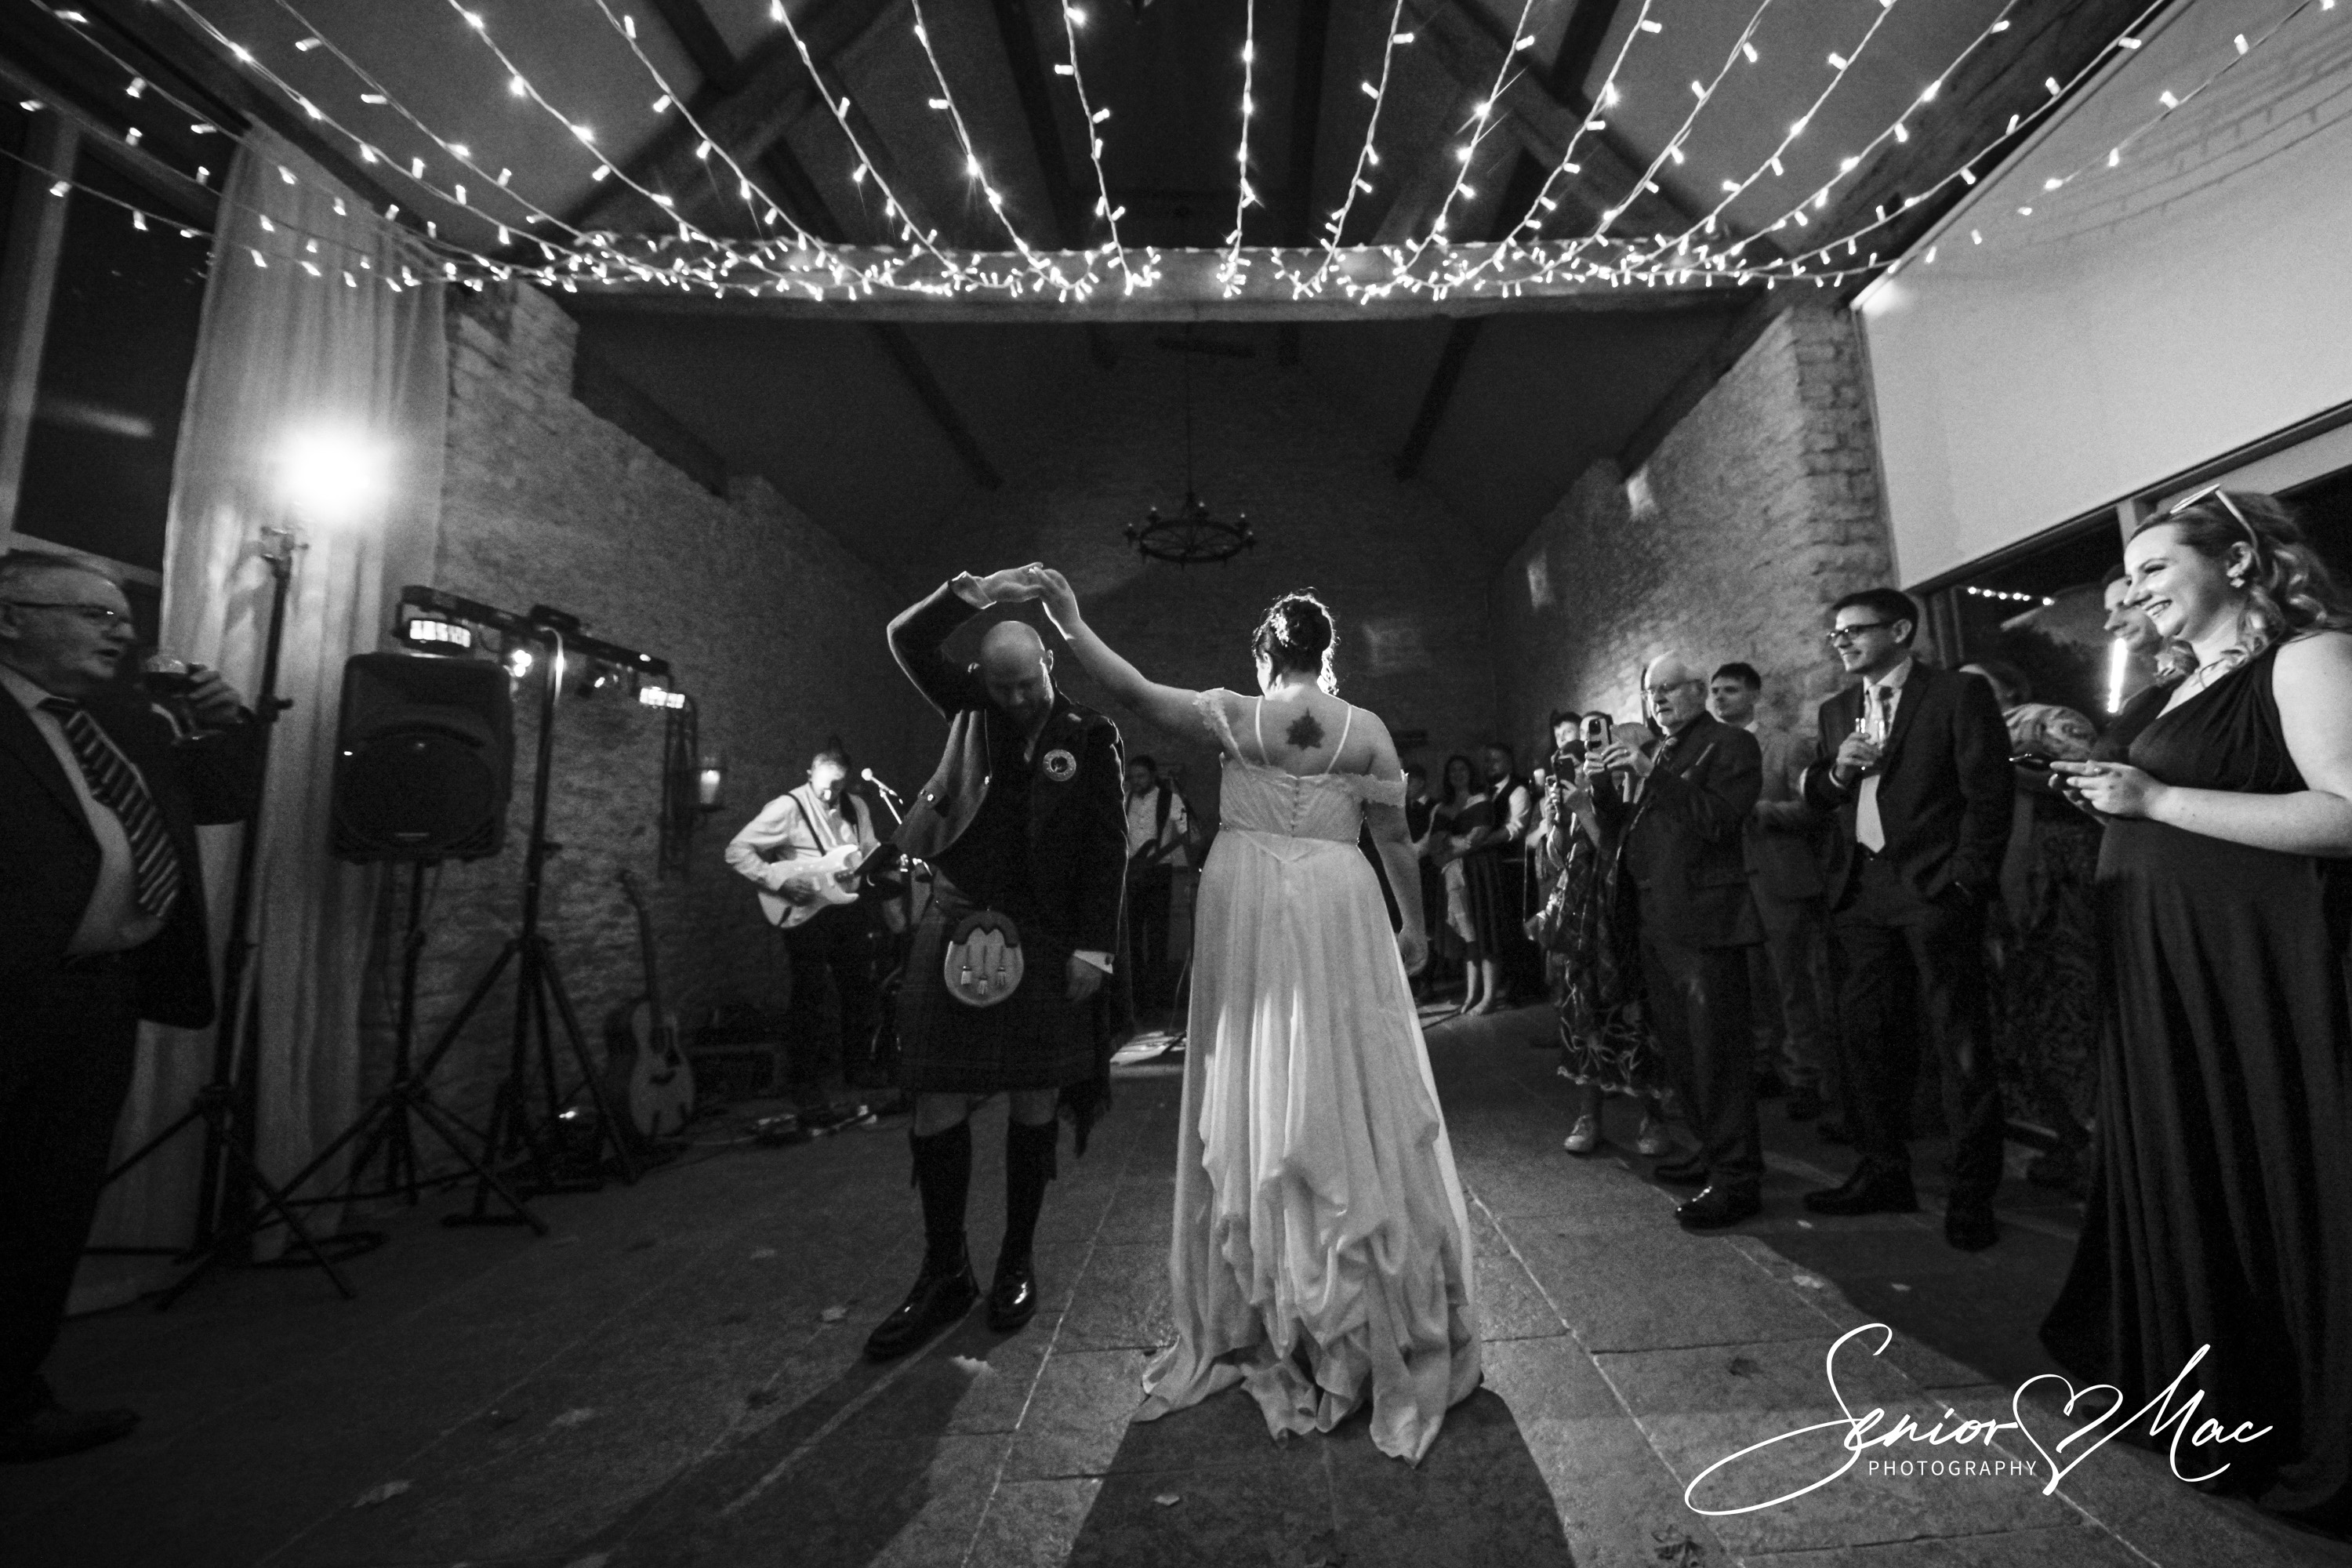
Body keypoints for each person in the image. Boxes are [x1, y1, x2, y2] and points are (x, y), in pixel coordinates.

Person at [1029, 571, 1479, 1465]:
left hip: (1247, 899)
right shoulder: (1367, 730)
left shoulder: (1235, 714)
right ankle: (1355, 1271)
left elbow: (1130, 690)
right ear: (1326, 655)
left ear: (1266, 653)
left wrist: (1068, 619)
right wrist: (1416, 925)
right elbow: (1393, 838)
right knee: (1348, 1062)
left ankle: (1267, 1287)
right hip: (1339, 898)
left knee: (1253, 1065)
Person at [2043, 489, 2352, 1525]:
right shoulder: (2178, 683)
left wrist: (2157, 800)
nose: (2133, 591)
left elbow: (2347, 812)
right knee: (2198, 1169)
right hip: (2163, 970)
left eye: (2155, 568)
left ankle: (2294, 1409)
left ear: (2241, 562)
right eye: (2128, 574)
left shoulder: (2308, 659)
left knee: (2270, 1168)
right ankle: (2210, 1390)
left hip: (2253, 974)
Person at [1, 550, 259, 1461]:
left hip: (98, 997)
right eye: (94, 613)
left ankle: (13, 1398)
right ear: (11, 617)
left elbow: (216, 801)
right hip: (14, 993)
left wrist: (226, 725)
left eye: (122, 616)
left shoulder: (116, 722)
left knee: (47, 1204)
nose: (121, 631)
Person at [861, 568, 1127, 1360]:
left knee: (1035, 1094)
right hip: (956, 915)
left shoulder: (1091, 735)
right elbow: (906, 639)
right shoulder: (969, 706)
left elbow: (1107, 849)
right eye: (1002, 686)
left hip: (1046, 932)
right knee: (935, 1095)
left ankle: (1016, 1260)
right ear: (984, 677)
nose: (1015, 699)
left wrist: (1095, 947)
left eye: (1027, 683)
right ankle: (945, 1270)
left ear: (1049, 661)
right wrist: (973, 591)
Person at [1799, 589, 2013, 1252]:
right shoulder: (1837, 709)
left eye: (1854, 631)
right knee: (1867, 1039)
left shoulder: (1955, 694)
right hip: (1861, 892)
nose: (1842, 642)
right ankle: (1883, 1172)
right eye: (1836, 634)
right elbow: (1819, 796)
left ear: (1899, 630)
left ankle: (1972, 1193)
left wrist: (1965, 882)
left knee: (1959, 1043)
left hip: (1933, 889)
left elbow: (1989, 793)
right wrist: (1837, 773)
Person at [1592, 654, 1766, 1229]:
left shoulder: (1730, 745)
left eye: (1668, 688)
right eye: (1650, 691)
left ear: (1698, 689)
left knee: (1718, 1055)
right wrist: (1601, 788)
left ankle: (1737, 1179)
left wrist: (1651, 774)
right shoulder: (1662, 752)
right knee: (1683, 1052)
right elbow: (1630, 832)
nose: (1658, 698)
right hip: (1656, 920)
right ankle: (1710, 1151)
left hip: (1706, 923)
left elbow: (1718, 821)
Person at [1957, 660, 2101, 1188]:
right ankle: (2071, 1141)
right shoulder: (1960, 733)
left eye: (1980, 682)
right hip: (2006, 899)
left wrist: (2005, 768)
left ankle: (2101, 1150)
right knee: (2027, 1028)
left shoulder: (2046, 721)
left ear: (2011, 690)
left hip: (2062, 892)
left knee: (2080, 1017)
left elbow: (2093, 774)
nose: (1968, 692)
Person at [1710, 661, 1840, 1125]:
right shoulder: (1711, 752)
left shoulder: (1785, 745)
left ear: (1753, 694)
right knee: (1752, 983)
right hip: (1731, 882)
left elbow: (1816, 809)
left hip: (1778, 875)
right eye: (1715, 691)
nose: (1719, 698)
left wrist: (1764, 812)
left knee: (1792, 981)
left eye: (1729, 690)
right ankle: (1766, 1062)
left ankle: (1806, 1074)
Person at [725, 746, 886, 1120]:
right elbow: (737, 850)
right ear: (810, 774)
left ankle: (857, 1069)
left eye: (838, 786)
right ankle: (803, 1081)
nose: (830, 793)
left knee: (858, 987)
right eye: (825, 785)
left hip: (845, 905)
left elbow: (868, 849)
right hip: (804, 909)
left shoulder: (856, 808)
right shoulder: (788, 807)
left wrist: (879, 863)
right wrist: (777, 882)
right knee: (809, 992)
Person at [1543, 716, 1671, 1159]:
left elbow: (1621, 858)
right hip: (1583, 920)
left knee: (1637, 1020)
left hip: (1624, 921)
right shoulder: (1591, 788)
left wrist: (1583, 809)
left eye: (1612, 748)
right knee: (1583, 1016)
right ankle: (1589, 1116)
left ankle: (1653, 1116)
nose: (1601, 755)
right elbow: (1561, 860)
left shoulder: (1642, 795)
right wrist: (1558, 820)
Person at [1120, 754, 1191, 1011]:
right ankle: (1136, 995)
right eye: (1132, 777)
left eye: (1141, 776)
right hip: (1131, 872)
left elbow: (1188, 833)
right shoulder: (1125, 799)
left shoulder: (1170, 799)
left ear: (1152, 776)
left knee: (1158, 935)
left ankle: (1158, 997)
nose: (1136, 781)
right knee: (1132, 936)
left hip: (1159, 872)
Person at [1426, 753, 1490, 1012]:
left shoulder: (1481, 801)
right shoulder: (1442, 807)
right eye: (1452, 770)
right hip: (1450, 872)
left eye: (1462, 769)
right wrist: (1449, 844)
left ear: (1471, 772)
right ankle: (1471, 994)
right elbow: (1433, 843)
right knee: (1468, 935)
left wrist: (1448, 844)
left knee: (1483, 932)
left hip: (1477, 872)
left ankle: (1487, 996)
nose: (1457, 774)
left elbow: (1476, 838)